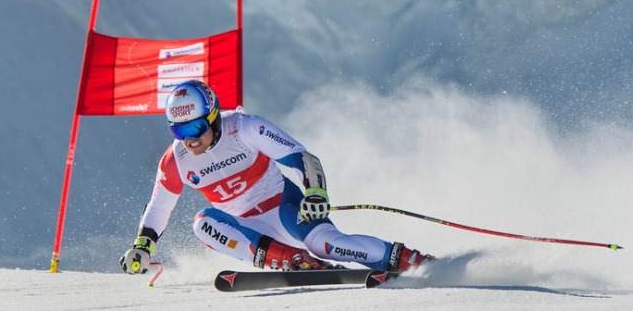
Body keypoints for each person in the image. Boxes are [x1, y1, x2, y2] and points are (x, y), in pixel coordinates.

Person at [120, 79, 434, 275]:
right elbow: (159, 208)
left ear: (213, 116)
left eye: (195, 128)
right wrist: (143, 246)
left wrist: (315, 193)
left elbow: (302, 157)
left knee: (328, 244)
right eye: (179, 130)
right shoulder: (177, 159)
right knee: (202, 223)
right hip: (247, 230)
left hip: (284, 207)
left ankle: (414, 261)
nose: (189, 139)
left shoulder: (244, 127)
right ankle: (291, 260)